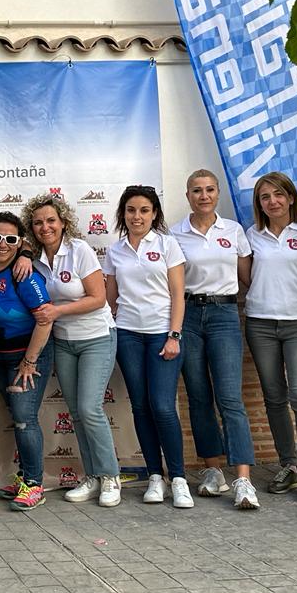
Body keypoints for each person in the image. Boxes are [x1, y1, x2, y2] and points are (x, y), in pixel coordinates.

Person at [21, 194, 121, 508]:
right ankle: (92, 477)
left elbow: (98, 298)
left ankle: (110, 476)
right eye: (38, 223)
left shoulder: (79, 250)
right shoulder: (35, 257)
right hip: (64, 342)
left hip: (96, 337)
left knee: (90, 409)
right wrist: (24, 252)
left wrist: (58, 311)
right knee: (77, 413)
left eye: (51, 220)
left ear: (63, 222)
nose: (45, 227)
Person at [171, 170, 258, 510]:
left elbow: (250, 278)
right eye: (197, 190)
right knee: (198, 396)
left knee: (230, 398)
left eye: (209, 189)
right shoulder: (175, 233)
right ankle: (213, 471)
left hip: (224, 314)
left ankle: (243, 480)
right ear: (188, 195)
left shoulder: (233, 231)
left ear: (218, 193)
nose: (203, 196)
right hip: (189, 315)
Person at [103, 185, 192, 509]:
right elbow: (111, 298)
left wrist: (174, 335)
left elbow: (178, 295)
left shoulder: (167, 244)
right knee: (140, 407)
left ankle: (178, 478)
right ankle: (155, 476)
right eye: (131, 210)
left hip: (161, 334)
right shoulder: (115, 251)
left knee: (163, 406)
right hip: (128, 335)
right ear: (123, 214)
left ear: (154, 213)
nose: (136, 216)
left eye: (143, 210)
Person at [242, 173, 297, 503]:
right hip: (260, 323)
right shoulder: (251, 235)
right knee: (274, 398)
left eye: (278, 194)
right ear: (259, 204)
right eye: (265, 197)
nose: (272, 201)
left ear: (291, 198)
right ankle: (289, 465)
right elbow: (247, 275)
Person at [0, 211, 55, 511]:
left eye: (10, 239)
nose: (2, 244)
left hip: (28, 358)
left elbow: (45, 320)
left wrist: (30, 362)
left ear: (20, 242)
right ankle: (25, 477)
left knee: (24, 418)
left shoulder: (25, 274)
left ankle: (34, 484)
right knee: (18, 417)